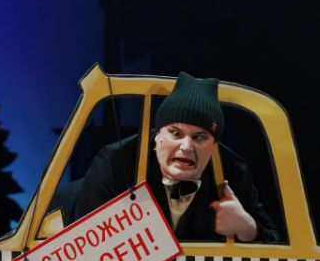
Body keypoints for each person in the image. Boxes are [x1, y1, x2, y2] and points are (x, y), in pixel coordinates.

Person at [69, 72, 279, 243]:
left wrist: (247, 228)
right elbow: (79, 249)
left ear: (214, 146)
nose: (186, 147)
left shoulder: (233, 172)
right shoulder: (116, 162)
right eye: (176, 133)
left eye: (199, 137)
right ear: (157, 136)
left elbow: (280, 253)